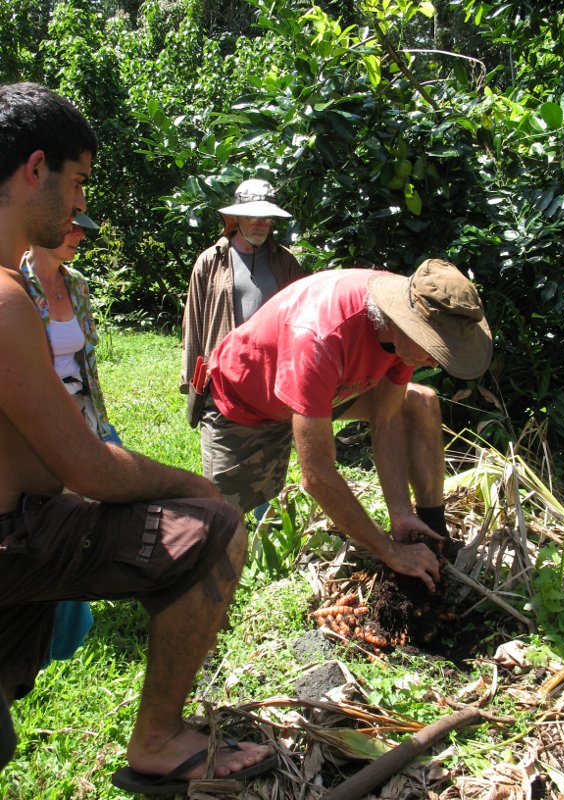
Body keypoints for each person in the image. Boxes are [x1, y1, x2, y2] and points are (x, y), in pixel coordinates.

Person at [0, 81, 274, 794]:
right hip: (13, 536)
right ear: (36, 169)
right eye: (79, 181)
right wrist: (198, 486)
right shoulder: (4, 299)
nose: (81, 204)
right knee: (213, 525)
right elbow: (87, 466)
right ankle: (158, 738)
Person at [202, 261, 493, 592]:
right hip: (248, 400)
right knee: (220, 523)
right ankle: (204, 603)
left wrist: (399, 512)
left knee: (419, 403)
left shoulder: (411, 314)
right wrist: (389, 551)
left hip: (326, 388)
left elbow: (387, 416)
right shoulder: (320, 338)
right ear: (403, 325)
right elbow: (318, 476)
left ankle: (433, 534)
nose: (437, 362)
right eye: (435, 349)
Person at [20, 212, 117, 664]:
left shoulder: (75, 282)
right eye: (72, 226)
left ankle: (71, 622)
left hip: (81, 416)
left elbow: (85, 363)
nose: (80, 235)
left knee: (85, 517)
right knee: (51, 521)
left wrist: (96, 423)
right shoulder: (14, 283)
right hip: (36, 425)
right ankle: (52, 634)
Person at [181, 178, 303, 430]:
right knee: (222, 467)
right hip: (223, 389)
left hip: (273, 388)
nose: (261, 223)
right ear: (236, 217)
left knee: (271, 467)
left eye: (266, 217)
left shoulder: (286, 262)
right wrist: (191, 383)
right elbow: (192, 324)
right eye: (252, 216)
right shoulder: (210, 261)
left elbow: (301, 322)